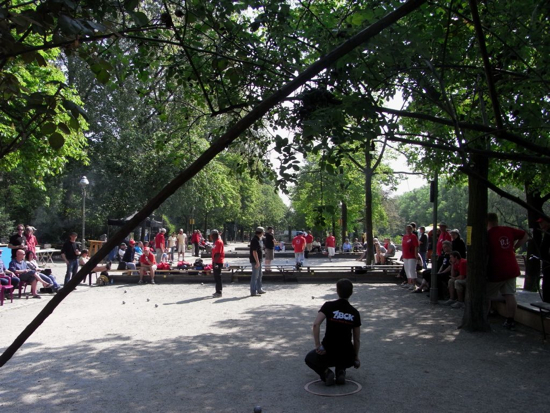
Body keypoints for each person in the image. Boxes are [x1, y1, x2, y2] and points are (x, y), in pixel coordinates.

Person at [305, 279, 361, 386]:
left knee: (309, 358)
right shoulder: (354, 312)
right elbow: (357, 339)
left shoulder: (328, 306)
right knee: (344, 351)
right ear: (351, 292)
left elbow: (316, 324)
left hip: (328, 352)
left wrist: (318, 345)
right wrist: (356, 357)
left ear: (337, 291)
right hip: (347, 355)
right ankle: (341, 370)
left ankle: (326, 372)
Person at [486, 213, 528, 330]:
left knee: (486, 294)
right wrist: (515, 247)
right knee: (510, 294)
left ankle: (484, 316)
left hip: (497, 269)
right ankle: (510, 320)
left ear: (487, 222)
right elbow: (525, 235)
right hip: (511, 267)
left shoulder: (488, 234)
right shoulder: (508, 229)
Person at [402, 224, 419, 290]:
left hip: (412, 256)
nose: (408, 230)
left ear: (411, 229)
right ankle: (409, 283)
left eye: (409, 229)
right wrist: (403, 254)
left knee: (412, 269)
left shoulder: (413, 236)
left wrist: (416, 254)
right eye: (407, 229)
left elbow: (416, 246)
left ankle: (414, 284)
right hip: (405, 255)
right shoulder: (404, 236)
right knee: (407, 270)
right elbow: (403, 246)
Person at [250, 227, 265, 296]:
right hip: (255, 261)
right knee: (255, 276)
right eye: (263, 232)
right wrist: (257, 262)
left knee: (259, 275)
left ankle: (259, 289)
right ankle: (253, 291)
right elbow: (254, 252)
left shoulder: (259, 239)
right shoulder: (255, 240)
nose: (264, 233)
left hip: (259, 260)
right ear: (261, 232)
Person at [537, 217, 550, 303]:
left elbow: (544, 250)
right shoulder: (546, 233)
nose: (540, 225)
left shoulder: (548, 234)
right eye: (539, 223)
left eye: (542, 223)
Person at [211, 229, 225, 298]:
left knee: (218, 277)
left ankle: (219, 292)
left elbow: (218, 254)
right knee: (216, 277)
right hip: (216, 261)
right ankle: (217, 291)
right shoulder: (216, 242)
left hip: (218, 262)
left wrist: (215, 263)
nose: (211, 237)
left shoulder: (218, 242)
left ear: (214, 235)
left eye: (211, 235)